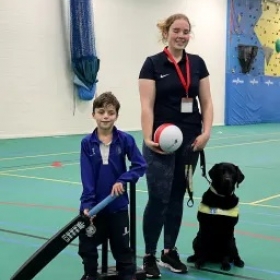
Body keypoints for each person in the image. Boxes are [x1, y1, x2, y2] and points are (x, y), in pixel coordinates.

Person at [138, 13, 213, 278]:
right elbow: (146, 106)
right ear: (166, 32)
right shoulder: (152, 64)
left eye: (186, 31)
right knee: (158, 199)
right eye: (176, 30)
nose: (181, 35)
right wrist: (148, 138)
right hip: (161, 141)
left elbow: (207, 102)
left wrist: (206, 132)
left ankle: (169, 251)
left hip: (190, 142)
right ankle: (148, 255)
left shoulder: (198, 63)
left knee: (177, 198)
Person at [78, 92, 147, 280]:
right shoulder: (86, 143)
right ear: (93, 115)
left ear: (116, 115)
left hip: (117, 207)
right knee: (87, 247)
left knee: (123, 249)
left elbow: (140, 165)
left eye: (110, 112)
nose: (105, 116)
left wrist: (123, 180)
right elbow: (87, 177)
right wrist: (87, 206)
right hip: (94, 208)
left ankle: (127, 276)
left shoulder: (125, 140)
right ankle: (90, 275)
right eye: (101, 112)